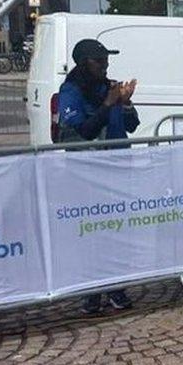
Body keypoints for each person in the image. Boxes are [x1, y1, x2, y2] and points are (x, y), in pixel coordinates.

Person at [57, 38, 139, 314]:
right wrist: (108, 104)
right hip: (87, 173)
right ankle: (92, 292)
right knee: (91, 231)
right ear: (84, 64)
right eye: (99, 61)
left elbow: (132, 125)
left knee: (117, 230)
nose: (105, 66)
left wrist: (125, 103)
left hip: (116, 170)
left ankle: (116, 287)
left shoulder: (111, 87)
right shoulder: (71, 91)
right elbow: (85, 131)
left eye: (106, 60)